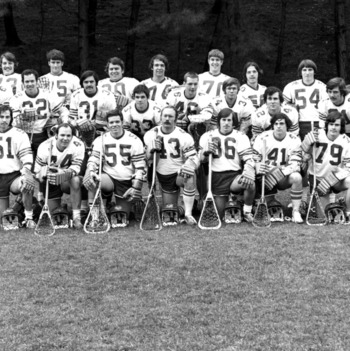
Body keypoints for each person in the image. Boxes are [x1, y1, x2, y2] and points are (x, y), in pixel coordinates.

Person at [83, 110, 146, 227]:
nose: (114, 124)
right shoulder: (101, 139)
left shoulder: (134, 140)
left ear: (122, 122)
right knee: (93, 180)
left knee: (121, 215)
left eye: (117, 121)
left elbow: (140, 167)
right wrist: (90, 171)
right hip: (109, 177)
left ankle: (130, 204)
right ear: (107, 124)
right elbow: (94, 159)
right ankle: (96, 217)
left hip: (126, 181)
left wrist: (135, 186)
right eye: (111, 122)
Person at [143, 105, 199, 225]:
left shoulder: (184, 136)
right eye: (165, 116)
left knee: (190, 174)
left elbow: (194, 157)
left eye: (170, 116)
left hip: (180, 172)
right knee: (170, 210)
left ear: (175, 119)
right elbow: (147, 159)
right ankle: (188, 205)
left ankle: (188, 214)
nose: (167, 119)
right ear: (160, 117)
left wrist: (189, 165)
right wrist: (150, 150)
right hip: (164, 175)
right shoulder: (150, 134)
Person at [199, 108, 256, 221]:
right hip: (216, 177)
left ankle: (247, 211)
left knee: (250, 183)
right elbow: (201, 160)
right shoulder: (207, 136)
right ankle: (234, 200)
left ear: (233, 122)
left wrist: (248, 169)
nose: (226, 123)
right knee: (220, 215)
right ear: (219, 121)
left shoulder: (240, 136)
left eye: (229, 120)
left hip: (234, 175)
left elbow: (248, 158)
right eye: (223, 120)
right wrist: (205, 152)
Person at [253, 113, 303, 223]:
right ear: (272, 125)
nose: (278, 126)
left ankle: (295, 211)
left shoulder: (294, 139)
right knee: (268, 205)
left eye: (281, 123)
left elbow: (295, 164)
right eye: (276, 123)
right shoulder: (262, 137)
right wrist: (258, 166)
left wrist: (278, 172)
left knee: (297, 177)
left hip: (283, 176)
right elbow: (254, 159)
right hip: (265, 177)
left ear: (287, 125)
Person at [34, 123, 85, 229]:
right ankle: (62, 207)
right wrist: (42, 174)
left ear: (72, 136)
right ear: (56, 135)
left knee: (75, 180)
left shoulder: (78, 145)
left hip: (67, 178)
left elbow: (76, 168)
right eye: (62, 135)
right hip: (51, 179)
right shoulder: (45, 146)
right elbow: (36, 172)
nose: (65, 138)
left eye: (68, 136)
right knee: (55, 215)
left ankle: (76, 217)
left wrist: (63, 173)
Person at [302, 111, 350, 222]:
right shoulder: (317, 135)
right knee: (323, 215)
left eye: (337, 125)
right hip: (318, 179)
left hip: (336, 179)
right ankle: (338, 203)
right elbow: (304, 155)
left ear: (341, 127)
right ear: (327, 125)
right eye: (331, 124)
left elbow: (348, 168)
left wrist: (339, 171)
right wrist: (308, 144)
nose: (333, 127)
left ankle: (348, 212)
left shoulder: (347, 141)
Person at [9, 68, 68, 158]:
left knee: (43, 160)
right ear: (22, 83)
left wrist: (65, 125)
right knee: (22, 160)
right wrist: (23, 118)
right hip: (23, 133)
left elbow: (63, 110)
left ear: (37, 81)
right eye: (27, 81)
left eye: (32, 81)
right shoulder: (16, 98)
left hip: (42, 133)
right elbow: (13, 120)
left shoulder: (48, 94)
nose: (29, 84)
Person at [0, 105, 36, 228]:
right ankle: (18, 206)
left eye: (7, 117)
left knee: (27, 182)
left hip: (13, 176)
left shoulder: (19, 134)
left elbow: (26, 156)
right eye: (1, 117)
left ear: (11, 118)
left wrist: (26, 172)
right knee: (3, 218)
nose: (4, 120)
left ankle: (28, 217)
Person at [283, 59, 327, 140]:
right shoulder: (291, 86)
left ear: (314, 71)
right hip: (300, 123)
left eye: (310, 69)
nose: (307, 73)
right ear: (300, 72)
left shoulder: (322, 87)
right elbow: (284, 106)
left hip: (318, 122)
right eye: (304, 70)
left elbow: (326, 107)